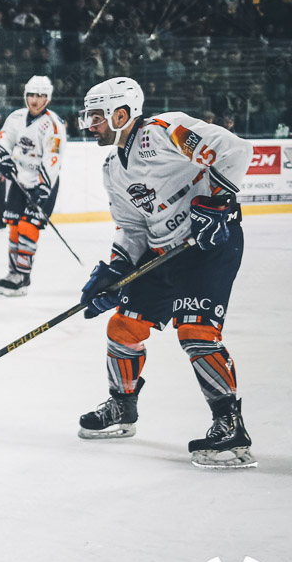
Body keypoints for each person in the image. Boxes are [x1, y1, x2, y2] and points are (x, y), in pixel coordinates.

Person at [76, 76, 256, 469]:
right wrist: (115, 270)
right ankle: (122, 407)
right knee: (123, 327)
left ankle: (229, 425)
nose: (90, 125)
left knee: (196, 331)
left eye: (96, 116)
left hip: (209, 245)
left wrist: (218, 203)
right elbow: (132, 228)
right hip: (162, 252)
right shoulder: (112, 169)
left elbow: (236, 151)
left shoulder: (163, 132)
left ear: (121, 114)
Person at [0, 76, 66, 295]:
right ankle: (13, 273)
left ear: (47, 98)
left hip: (43, 183)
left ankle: (23, 277)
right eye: (31, 95)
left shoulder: (53, 124)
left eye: (40, 96)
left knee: (28, 227)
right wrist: (3, 159)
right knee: (15, 226)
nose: (35, 100)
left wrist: (42, 188)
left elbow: (53, 159)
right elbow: (5, 140)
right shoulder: (16, 117)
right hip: (19, 180)